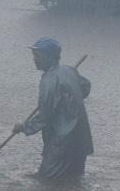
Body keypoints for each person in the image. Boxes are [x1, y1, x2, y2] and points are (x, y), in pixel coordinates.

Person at [13, 37, 93, 179]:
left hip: (63, 141)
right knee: (73, 180)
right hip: (80, 138)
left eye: (37, 56)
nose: (34, 60)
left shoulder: (49, 80)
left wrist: (24, 127)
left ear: (48, 56)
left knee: (46, 180)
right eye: (34, 56)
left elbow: (45, 116)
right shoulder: (69, 70)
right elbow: (85, 87)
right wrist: (69, 97)